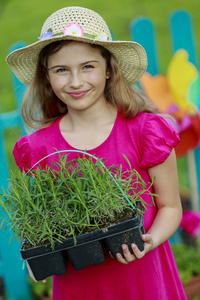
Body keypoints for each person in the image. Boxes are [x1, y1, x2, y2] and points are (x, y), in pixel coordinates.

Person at [6, 6, 187, 300]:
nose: (75, 82)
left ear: (108, 69)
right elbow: (43, 223)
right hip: (80, 288)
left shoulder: (145, 131)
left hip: (143, 281)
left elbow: (170, 207)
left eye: (87, 66)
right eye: (61, 70)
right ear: (47, 76)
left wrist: (149, 240)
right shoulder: (37, 149)